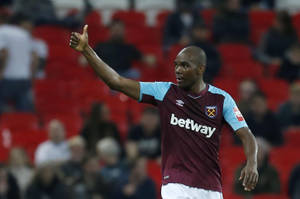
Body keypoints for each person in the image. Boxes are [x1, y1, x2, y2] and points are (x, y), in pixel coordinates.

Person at [69, 25, 259, 199]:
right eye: (176, 64)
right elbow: (116, 81)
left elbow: (247, 135)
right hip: (176, 185)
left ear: (201, 69)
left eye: (185, 65)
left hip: (210, 188)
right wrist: (87, 50)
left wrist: (252, 162)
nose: (178, 70)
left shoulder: (221, 99)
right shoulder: (164, 92)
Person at [0, 13, 37, 113]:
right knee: (23, 113)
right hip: (24, 78)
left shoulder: (2, 31)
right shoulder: (24, 34)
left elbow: (3, 53)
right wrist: (31, 77)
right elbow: (34, 57)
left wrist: (1, 72)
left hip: (8, 77)